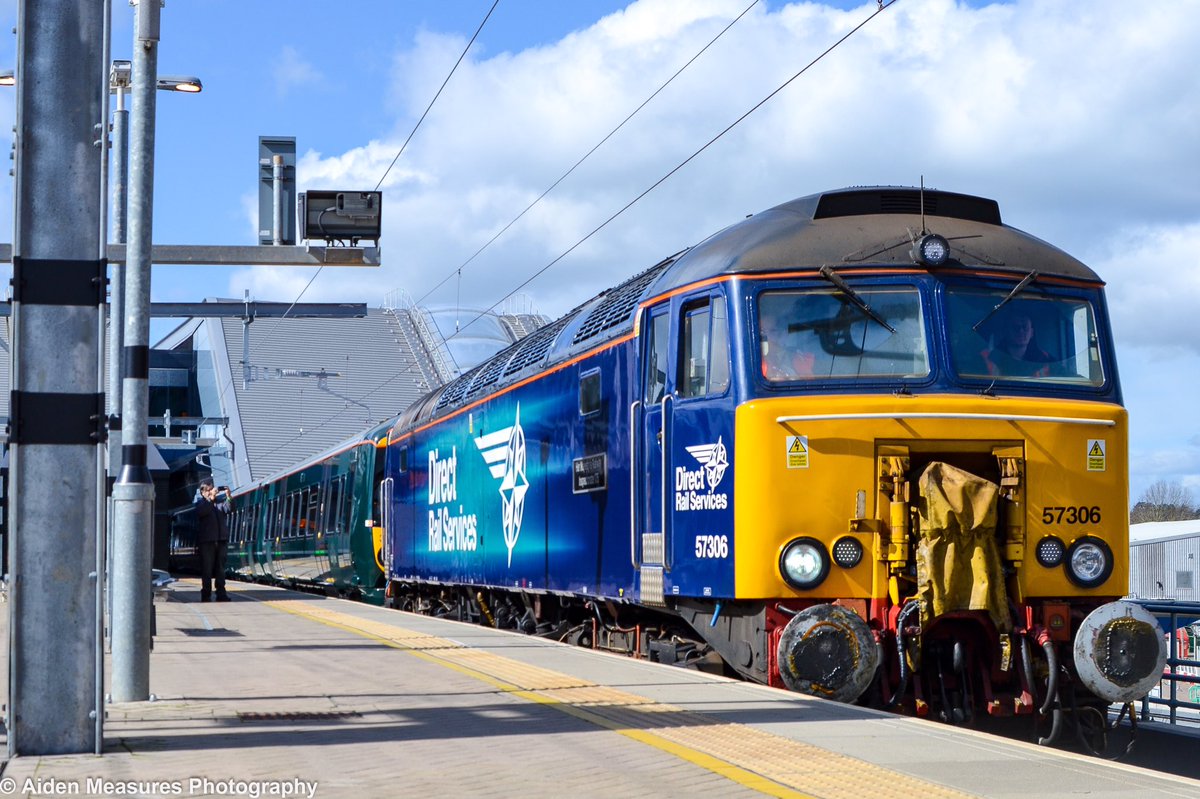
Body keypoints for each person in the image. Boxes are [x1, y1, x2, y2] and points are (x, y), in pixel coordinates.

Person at [980, 311, 1053, 377]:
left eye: (1025, 327)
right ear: (1006, 331)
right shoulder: (986, 358)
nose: (1021, 331)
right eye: (1015, 327)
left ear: (1032, 333)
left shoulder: (1046, 359)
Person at [195, 479, 232, 602]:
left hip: (221, 540)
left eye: (212, 489)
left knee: (220, 568)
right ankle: (206, 594)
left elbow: (229, 509)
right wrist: (210, 499)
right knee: (207, 569)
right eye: (209, 490)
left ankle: (221, 593)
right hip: (207, 542)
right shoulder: (201, 504)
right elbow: (202, 512)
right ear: (203, 492)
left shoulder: (220, 503)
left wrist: (228, 497)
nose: (212, 492)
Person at [760, 311, 815, 380]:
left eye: (773, 331)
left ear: (784, 334)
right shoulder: (756, 361)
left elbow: (809, 386)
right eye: (762, 332)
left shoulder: (797, 359)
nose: (766, 336)